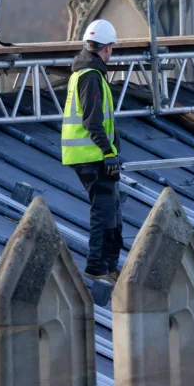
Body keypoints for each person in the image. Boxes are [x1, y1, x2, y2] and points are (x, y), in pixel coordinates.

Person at [61, 20, 123, 283]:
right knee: (104, 214)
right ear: (106, 48)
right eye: (111, 49)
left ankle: (108, 266)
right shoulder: (90, 76)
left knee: (113, 212)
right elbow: (92, 121)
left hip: (92, 156)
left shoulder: (85, 72)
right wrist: (108, 153)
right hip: (93, 157)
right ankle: (98, 269)